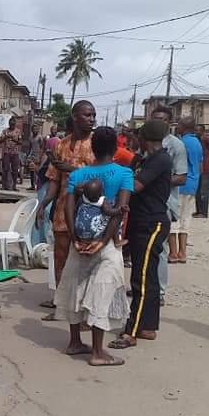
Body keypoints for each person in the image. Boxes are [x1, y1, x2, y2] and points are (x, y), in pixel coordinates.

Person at [55, 126, 133, 366]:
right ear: (115, 149)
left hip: (80, 240)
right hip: (107, 242)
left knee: (74, 286)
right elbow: (118, 212)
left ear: (94, 148)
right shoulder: (124, 174)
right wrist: (102, 241)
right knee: (103, 289)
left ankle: (74, 341)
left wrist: (75, 236)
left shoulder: (78, 175)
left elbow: (68, 206)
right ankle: (98, 352)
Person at [109, 119, 173, 350]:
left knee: (142, 278)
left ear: (145, 138)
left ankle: (132, 331)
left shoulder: (159, 160)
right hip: (140, 222)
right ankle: (147, 326)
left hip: (151, 223)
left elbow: (135, 186)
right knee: (149, 276)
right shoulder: (145, 159)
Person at [38, 101, 98, 316]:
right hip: (63, 208)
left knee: (84, 259)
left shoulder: (97, 145)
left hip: (89, 211)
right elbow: (54, 179)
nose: (91, 119)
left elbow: (101, 177)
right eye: (87, 115)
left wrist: (72, 169)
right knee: (61, 256)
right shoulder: (61, 145)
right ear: (75, 117)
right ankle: (61, 304)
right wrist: (43, 204)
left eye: (93, 115)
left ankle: (82, 307)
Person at [154, 107, 187, 300]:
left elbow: (181, 177)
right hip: (146, 202)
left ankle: (159, 291)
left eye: (163, 119)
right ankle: (145, 286)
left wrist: (156, 179)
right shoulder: (147, 142)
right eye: (156, 119)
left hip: (165, 202)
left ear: (170, 122)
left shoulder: (176, 146)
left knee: (160, 248)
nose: (159, 122)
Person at [169, 117, 202, 264]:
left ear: (184, 127)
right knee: (185, 220)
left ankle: (173, 252)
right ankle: (183, 253)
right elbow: (200, 166)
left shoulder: (181, 143)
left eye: (179, 125)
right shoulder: (197, 142)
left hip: (180, 184)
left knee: (173, 219)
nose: (177, 127)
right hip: (193, 184)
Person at [194, 124, 209, 218]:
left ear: (203, 131)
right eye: (195, 130)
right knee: (197, 191)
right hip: (199, 169)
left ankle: (203, 212)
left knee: (204, 191)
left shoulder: (205, 139)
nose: (196, 132)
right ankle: (198, 211)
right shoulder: (196, 140)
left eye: (198, 130)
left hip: (207, 169)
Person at [0, 118, 22, 191]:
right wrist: (6, 137)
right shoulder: (5, 131)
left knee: (15, 170)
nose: (12, 125)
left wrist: (13, 139)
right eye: (11, 124)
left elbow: (20, 142)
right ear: (9, 124)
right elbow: (0, 141)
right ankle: (4, 185)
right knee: (5, 169)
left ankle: (14, 186)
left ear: (15, 124)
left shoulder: (18, 131)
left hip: (15, 153)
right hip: (7, 152)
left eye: (13, 124)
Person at [26, 124, 46, 191]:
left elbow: (42, 148)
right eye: (34, 129)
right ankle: (32, 185)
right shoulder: (31, 137)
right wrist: (27, 155)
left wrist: (41, 157)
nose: (35, 130)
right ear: (32, 130)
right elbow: (29, 147)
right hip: (32, 156)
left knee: (38, 171)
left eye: (36, 129)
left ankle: (38, 185)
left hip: (38, 156)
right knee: (32, 171)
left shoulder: (40, 137)